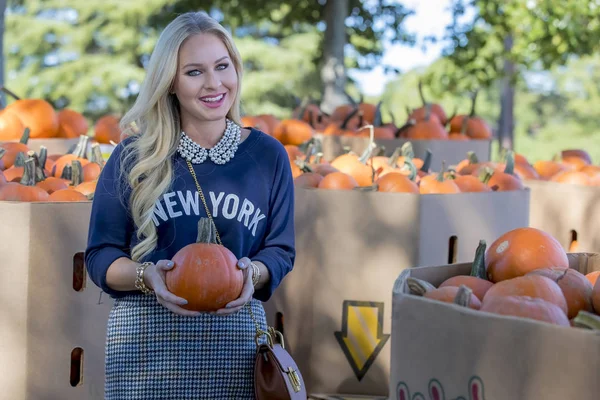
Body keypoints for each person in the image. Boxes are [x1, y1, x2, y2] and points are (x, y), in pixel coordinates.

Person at [84, 10, 295, 400]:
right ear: (170, 84)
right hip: (144, 349)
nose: (214, 83)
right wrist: (149, 278)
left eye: (222, 66)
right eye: (194, 72)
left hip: (237, 346)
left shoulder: (268, 156)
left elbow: (280, 251)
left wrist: (255, 273)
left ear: (236, 69)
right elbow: (99, 257)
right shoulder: (134, 157)